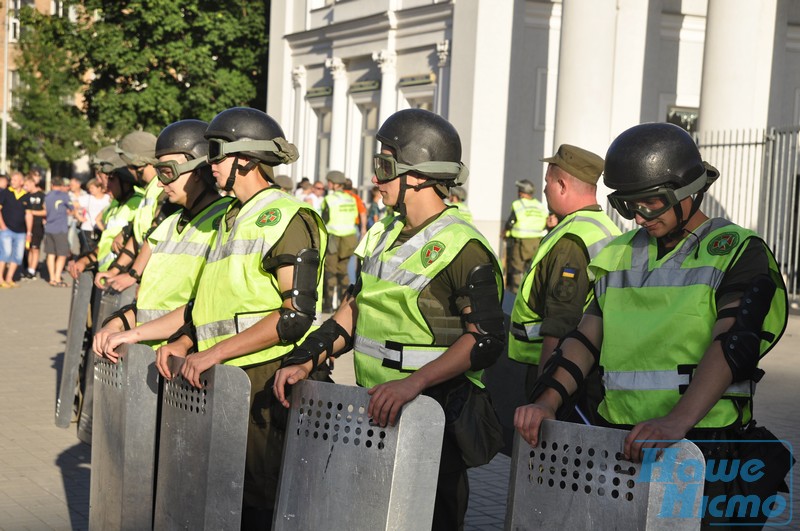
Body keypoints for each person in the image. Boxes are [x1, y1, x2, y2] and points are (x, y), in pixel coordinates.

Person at [514, 123, 788, 529]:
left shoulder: (737, 251)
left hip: (701, 447)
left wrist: (677, 421)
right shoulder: (617, 254)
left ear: (686, 190)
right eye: (628, 206)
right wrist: (547, 401)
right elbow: (585, 340)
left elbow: (734, 343)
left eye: (650, 203)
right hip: (619, 444)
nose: (640, 216)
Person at [273, 108, 506, 530]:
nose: (376, 179)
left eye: (384, 166)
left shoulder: (464, 246)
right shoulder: (382, 233)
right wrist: (306, 357)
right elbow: (355, 310)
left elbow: (486, 339)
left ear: (418, 173)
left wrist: (412, 383)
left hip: (437, 418)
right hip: (378, 409)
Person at [97, 107, 327, 530]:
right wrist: (184, 342)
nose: (211, 164)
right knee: (221, 500)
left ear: (247, 159)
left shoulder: (289, 217)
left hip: (264, 381)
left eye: (217, 154)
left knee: (259, 506)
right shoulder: (228, 217)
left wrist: (210, 353)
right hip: (221, 376)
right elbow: (206, 303)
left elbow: (295, 316)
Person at [92, 119, 231, 352]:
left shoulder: (226, 221)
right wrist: (116, 324)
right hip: (151, 353)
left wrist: (134, 333)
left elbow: (204, 306)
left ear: (197, 171)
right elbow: (153, 305)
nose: (160, 182)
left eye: (168, 172)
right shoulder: (170, 223)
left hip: (185, 358)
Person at [507, 144, 620, 412]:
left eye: (547, 182)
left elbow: (559, 327)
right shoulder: (606, 227)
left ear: (561, 184)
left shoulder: (571, 239)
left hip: (563, 375)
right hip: (589, 368)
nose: (544, 189)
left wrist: (545, 396)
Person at [321, 170, 358, 312]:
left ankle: (328, 305)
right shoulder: (351, 199)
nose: (328, 184)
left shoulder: (329, 199)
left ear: (334, 184)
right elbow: (354, 217)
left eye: (329, 182)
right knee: (343, 272)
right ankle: (343, 305)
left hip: (333, 238)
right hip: (349, 238)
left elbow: (325, 219)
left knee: (330, 271)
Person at [503, 178, 549, 293]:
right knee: (533, 270)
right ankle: (531, 293)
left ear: (522, 192)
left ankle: (515, 295)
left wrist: (505, 231)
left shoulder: (518, 204)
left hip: (520, 243)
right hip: (537, 242)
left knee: (517, 270)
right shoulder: (540, 206)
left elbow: (511, 221)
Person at [43, 178, 75, 286]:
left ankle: (51, 278)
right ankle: (57, 277)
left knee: (50, 254)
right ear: (61, 185)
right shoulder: (64, 196)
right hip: (60, 228)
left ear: (52, 185)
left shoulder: (47, 196)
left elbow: (44, 209)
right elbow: (72, 208)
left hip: (49, 227)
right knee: (61, 254)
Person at [0, 171, 28, 287]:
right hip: (7, 229)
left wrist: (29, 232)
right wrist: (2, 226)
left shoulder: (26, 195)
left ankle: (9, 278)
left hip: (21, 232)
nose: (12, 182)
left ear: (21, 182)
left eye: (15, 180)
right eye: (12, 180)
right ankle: (0, 279)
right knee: (5, 254)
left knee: (18, 256)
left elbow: (29, 214)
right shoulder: (5, 193)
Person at [74, 178, 110, 254]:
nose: (90, 190)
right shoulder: (88, 198)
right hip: (88, 228)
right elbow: (73, 205)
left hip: (102, 228)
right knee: (88, 251)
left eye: (92, 188)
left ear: (99, 188)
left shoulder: (107, 198)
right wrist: (79, 216)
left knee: (101, 250)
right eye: (89, 188)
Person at [21, 175, 46, 279]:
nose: (25, 187)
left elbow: (46, 211)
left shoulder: (41, 196)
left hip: (37, 226)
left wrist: (33, 212)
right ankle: (29, 268)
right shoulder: (25, 196)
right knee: (29, 248)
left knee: (35, 248)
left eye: (27, 185)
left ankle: (32, 270)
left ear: (32, 183)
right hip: (26, 226)